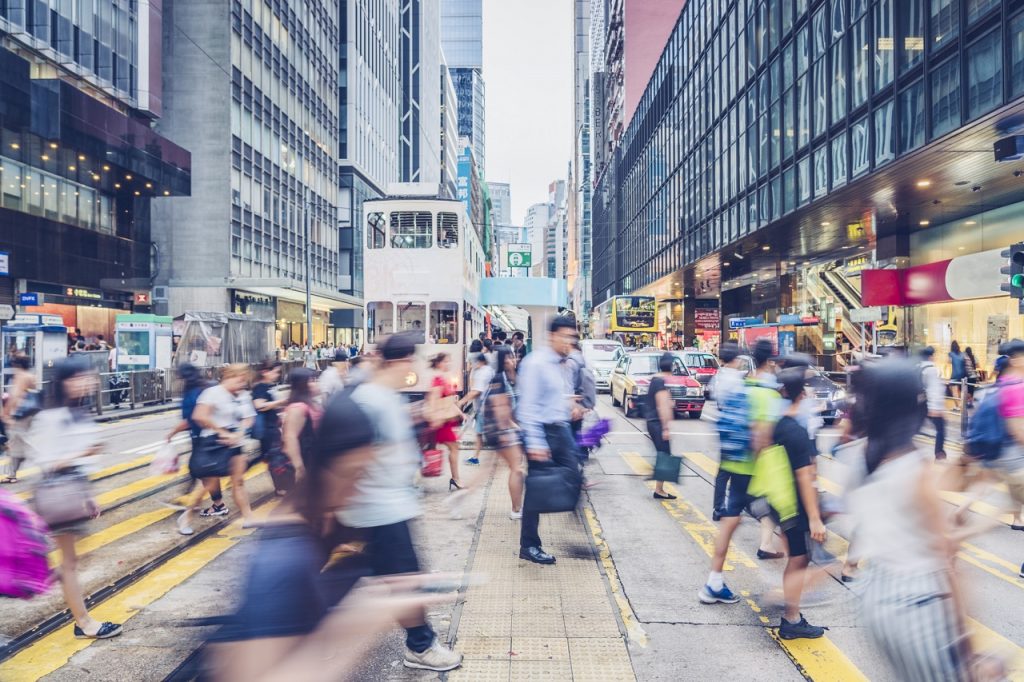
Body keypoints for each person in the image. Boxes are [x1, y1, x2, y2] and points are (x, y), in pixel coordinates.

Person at [206, 390, 455, 681]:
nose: (361, 487)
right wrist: (369, 617)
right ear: (328, 466)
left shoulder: (317, 528)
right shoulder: (286, 558)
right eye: (356, 473)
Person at [327, 332, 462, 671]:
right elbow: (357, 455)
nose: (414, 368)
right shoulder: (372, 399)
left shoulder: (383, 396)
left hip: (384, 506)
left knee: (366, 577)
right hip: (379, 509)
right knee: (405, 582)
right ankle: (420, 646)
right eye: (411, 361)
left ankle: (298, 628)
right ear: (400, 361)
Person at [847, 358, 977, 680]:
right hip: (916, 605)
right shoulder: (913, 468)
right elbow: (944, 559)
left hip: (874, 601)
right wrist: (968, 646)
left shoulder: (861, 455)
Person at [27, 356, 121, 639]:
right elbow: (47, 462)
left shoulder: (79, 411)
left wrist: (89, 495)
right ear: (65, 382)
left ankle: (46, 585)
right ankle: (84, 623)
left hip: (72, 494)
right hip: (57, 498)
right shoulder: (51, 417)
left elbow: (79, 465)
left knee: (72, 562)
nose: (88, 383)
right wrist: (85, 453)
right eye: (80, 377)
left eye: (90, 377)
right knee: (69, 563)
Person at [701, 339, 780, 604]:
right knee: (791, 524)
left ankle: (713, 581)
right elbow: (762, 439)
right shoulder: (768, 394)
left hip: (735, 464)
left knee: (729, 521)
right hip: (756, 473)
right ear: (770, 362)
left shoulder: (744, 386)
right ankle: (793, 598)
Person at [515, 316, 584, 565]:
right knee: (536, 490)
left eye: (572, 337)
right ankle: (529, 545)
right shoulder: (536, 363)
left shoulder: (561, 363)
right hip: (543, 432)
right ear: (552, 336)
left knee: (575, 477)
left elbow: (552, 395)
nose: (569, 342)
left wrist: (569, 405)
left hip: (560, 429)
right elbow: (528, 406)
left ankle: (573, 528)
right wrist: (535, 443)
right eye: (565, 336)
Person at [772, 367, 827, 640]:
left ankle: (790, 611)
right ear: (802, 394)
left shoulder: (779, 424)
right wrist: (814, 517)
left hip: (780, 500)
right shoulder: (796, 431)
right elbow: (805, 477)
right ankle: (791, 618)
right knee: (799, 559)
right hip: (794, 505)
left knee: (796, 556)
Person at [177, 364, 257, 535]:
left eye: (244, 380)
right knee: (208, 485)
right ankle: (187, 516)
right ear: (228, 376)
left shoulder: (243, 395)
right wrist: (222, 432)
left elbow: (249, 418)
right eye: (239, 379)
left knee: (239, 482)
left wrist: (240, 433)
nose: (242, 384)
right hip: (213, 443)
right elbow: (199, 416)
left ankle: (249, 517)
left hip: (235, 443)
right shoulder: (212, 393)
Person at [481, 347, 526, 519]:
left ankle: (460, 497)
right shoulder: (499, 379)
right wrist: (509, 429)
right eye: (507, 358)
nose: (511, 360)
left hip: (506, 429)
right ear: (501, 361)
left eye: (512, 357)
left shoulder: (513, 378)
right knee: (517, 469)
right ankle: (516, 509)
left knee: (487, 471)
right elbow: (500, 409)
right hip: (502, 431)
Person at [164, 364, 216, 506]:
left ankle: (193, 500)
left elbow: (190, 419)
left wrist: (171, 433)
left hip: (201, 437)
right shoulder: (202, 388)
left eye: (179, 376)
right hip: (205, 435)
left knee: (199, 469)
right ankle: (214, 502)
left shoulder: (192, 393)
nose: (177, 379)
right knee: (203, 470)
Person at [710, 342, 745, 520]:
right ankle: (731, 507)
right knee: (735, 470)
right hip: (736, 428)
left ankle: (719, 507)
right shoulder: (734, 378)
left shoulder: (719, 376)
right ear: (736, 359)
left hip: (724, 424)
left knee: (724, 471)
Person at [252, 360, 290, 494]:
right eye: (275, 372)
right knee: (275, 457)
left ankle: (281, 486)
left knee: (276, 457)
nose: (277, 375)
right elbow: (259, 406)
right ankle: (280, 487)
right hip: (268, 430)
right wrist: (281, 402)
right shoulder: (260, 387)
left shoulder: (267, 386)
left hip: (272, 427)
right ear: (265, 372)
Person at [427, 353, 463, 490]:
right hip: (442, 421)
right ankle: (456, 479)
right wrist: (434, 418)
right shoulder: (437, 380)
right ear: (439, 363)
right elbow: (432, 401)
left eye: (449, 361)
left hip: (447, 420)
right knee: (454, 448)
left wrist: (460, 413)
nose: (448, 364)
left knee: (454, 448)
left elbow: (448, 401)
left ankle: (456, 478)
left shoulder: (444, 378)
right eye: (446, 362)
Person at [645, 352, 678, 500]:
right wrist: (665, 428)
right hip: (657, 423)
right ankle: (659, 490)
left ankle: (659, 487)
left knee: (663, 454)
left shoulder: (655, 379)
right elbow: (662, 406)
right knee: (665, 455)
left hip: (652, 422)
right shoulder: (660, 382)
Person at [2, 355, 39, 484]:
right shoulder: (31, 375)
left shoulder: (20, 376)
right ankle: (12, 475)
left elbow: (15, 396)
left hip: (19, 415)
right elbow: (33, 393)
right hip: (28, 414)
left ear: (17, 365)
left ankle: (49, 464)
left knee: (25, 444)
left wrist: (6, 413)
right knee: (16, 445)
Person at [281, 368, 322, 482]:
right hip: (306, 459)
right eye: (312, 380)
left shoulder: (310, 403)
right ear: (301, 384)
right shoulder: (298, 407)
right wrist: (299, 467)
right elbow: (290, 437)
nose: (316, 383)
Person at [458, 354, 494, 466]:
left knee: (483, 433)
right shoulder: (487, 370)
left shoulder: (482, 373)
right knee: (479, 433)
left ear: (479, 362)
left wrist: (461, 402)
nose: (470, 364)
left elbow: (476, 391)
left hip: (485, 408)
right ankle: (475, 457)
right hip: (486, 407)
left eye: (471, 362)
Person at [919, 346, 947, 460]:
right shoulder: (931, 369)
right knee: (941, 429)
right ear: (931, 356)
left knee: (914, 428)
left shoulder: (918, 367)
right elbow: (934, 389)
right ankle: (939, 452)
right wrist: (936, 408)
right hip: (929, 405)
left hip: (919, 404)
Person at [949, 340, 966, 412]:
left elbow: (949, 361)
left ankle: (957, 406)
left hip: (955, 374)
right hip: (962, 374)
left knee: (954, 391)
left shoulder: (951, 354)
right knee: (959, 390)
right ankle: (961, 404)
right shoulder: (962, 354)